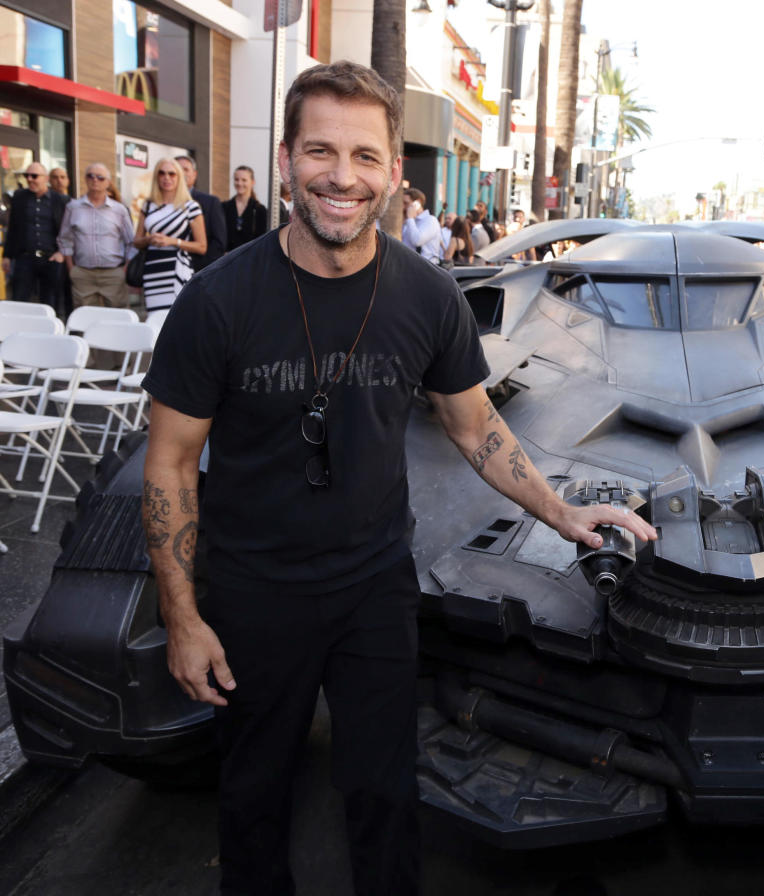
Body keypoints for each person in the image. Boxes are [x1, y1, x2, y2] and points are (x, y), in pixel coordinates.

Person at [139, 60, 656, 896]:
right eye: (320, 152)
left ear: (391, 172)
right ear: (284, 160)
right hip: (251, 591)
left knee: (384, 794)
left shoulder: (427, 296)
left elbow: (474, 425)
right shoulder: (219, 299)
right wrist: (182, 616)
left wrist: (562, 511)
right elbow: (169, 466)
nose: (342, 177)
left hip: (373, 586)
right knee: (254, 798)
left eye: (364, 157)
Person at [53, 163, 135, 356]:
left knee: (119, 319)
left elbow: (131, 242)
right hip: (83, 273)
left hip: (113, 273)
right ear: (85, 179)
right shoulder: (73, 207)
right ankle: (86, 364)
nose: (95, 180)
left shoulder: (119, 210)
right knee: (84, 320)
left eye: (100, 177)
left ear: (108, 182)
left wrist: (124, 269)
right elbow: (64, 239)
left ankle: (119, 363)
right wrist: (71, 268)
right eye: (91, 176)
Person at [133, 157, 207, 314]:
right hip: (153, 268)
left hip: (178, 268)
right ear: (156, 177)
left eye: (172, 174)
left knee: (178, 317)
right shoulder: (148, 205)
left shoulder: (190, 207)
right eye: (162, 173)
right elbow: (137, 241)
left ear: (179, 177)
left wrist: (173, 241)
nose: (166, 178)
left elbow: (202, 246)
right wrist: (149, 239)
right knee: (154, 318)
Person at [3, 162, 69, 313]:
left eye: (34, 176)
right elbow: (13, 228)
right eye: (27, 176)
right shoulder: (20, 198)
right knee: (20, 301)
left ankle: (51, 333)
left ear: (45, 178)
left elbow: (67, 231)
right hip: (25, 258)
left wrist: (62, 252)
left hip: (50, 258)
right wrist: (7, 255)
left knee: (50, 304)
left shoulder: (60, 200)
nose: (30, 179)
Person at [176, 155, 227, 272]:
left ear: (194, 174)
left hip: (197, 272)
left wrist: (201, 272)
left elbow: (218, 243)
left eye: (185, 169)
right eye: (178, 169)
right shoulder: (159, 204)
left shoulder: (210, 202)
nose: (181, 173)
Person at [224, 165, 269, 252]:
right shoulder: (224, 207)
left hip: (250, 259)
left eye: (244, 180)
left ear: (252, 182)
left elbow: (262, 238)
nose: (240, 183)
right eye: (236, 179)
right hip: (228, 259)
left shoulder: (259, 209)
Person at [401, 187, 442, 263]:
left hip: (426, 267)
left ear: (417, 203)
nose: (403, 207)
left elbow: (417, 240)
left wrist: (410, 218)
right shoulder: (409, 222)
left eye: (406, 203)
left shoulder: (431, 220)